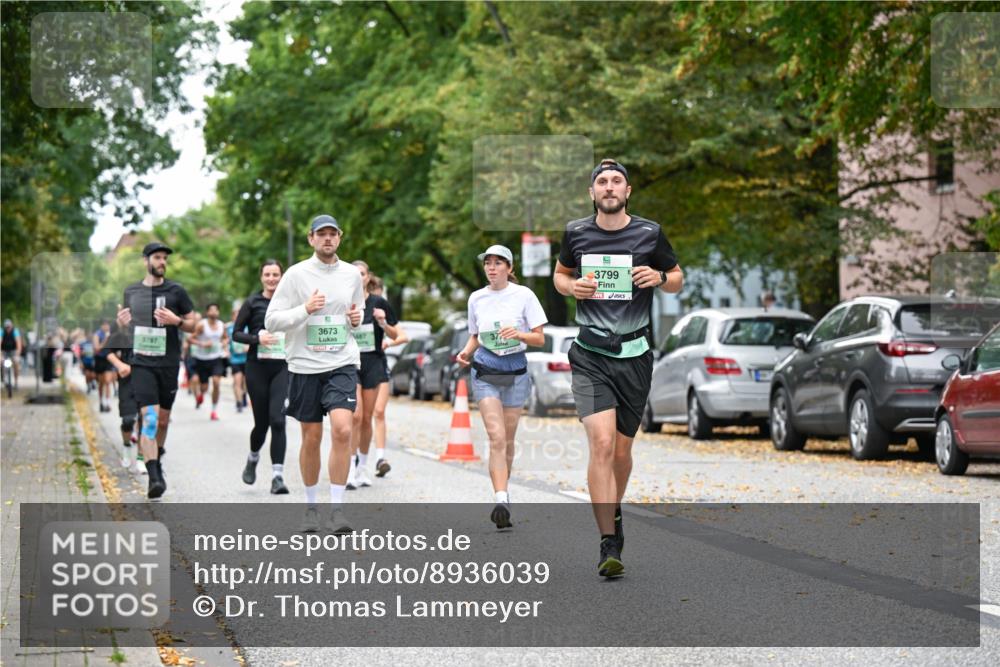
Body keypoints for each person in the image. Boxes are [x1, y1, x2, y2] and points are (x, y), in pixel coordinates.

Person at [553, 159, 683, 578]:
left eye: (616, 181)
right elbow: (560, 275)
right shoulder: (576, 232)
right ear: (592, 193)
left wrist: (659, 277)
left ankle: (614, 510)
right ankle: (608, 541)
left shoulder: (650, 233)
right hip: (590, 354)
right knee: (603, 444)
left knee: (623, 452)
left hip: (635, 355)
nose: (609, 187)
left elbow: (677, 277)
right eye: (602, 182)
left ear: (627, 191)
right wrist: (572, 287)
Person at [265, 215, 364, 532]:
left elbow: (356, 313)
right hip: (305, 366)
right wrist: (305, 309)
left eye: (333, 234)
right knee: (311, 437)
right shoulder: (295, 275)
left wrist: (356, 319)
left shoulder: (352, 275)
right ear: (311, 239)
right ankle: (310, 507)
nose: (327, 239)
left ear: (340, 237)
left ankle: (337, 510)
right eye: (321, 234)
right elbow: (272, 321)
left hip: (342, 362)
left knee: (343, 430)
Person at [456, 245, 546, 530]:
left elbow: (540, 338)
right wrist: (465, 352)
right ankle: (501, 499)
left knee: (507, 439)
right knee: (496, 437)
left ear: (509, 267)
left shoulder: (524, 295)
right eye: (488, 263)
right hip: (486, 370)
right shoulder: (476, 298)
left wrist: (518, 334)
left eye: (498, 263)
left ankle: (504, 492)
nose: (492, 268)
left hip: (516, 370)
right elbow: (475, 335)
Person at [116, 241, 196, 499]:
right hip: (141, 364)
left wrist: (177, 321)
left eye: (165, 258)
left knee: (162, 420)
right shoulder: (131, 291)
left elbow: (194, 325)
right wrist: (121, 324)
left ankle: (157, 460)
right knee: (149, 418)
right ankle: (153, 476)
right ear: (146, 260)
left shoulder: (176, 291)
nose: (162, 262)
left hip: (169, 364)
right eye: (158, 257)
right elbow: (124, 329)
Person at [347, 262, 406, 488]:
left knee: (366, 418)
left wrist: (382, 322)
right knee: (355, 415)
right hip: (351, 363)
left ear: (367, 277)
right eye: (354, 273)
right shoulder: (344, 302)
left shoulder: (378, 303)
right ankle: (350, 468)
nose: (358, 277)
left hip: (373, 363)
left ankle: (362, 468)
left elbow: (396, 334)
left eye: (361, 273)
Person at [233, 260, 290, 494]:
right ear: (261, 277)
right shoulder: (252, 302)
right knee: (262, 424)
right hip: (257, 368)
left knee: (278, 420)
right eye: (267, 274)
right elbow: (236, 333)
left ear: (282, 276)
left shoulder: (290, 302)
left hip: (282, 368)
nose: (272, 279)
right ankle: (253, 457)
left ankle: (277, 477)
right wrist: (257, 339)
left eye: (276, 274)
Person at [369, 275, 408, 474]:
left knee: (379, 411)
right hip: (355, 366)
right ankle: (355, 460)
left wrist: (388, 342)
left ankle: (380, 457)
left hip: (378, 363)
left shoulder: (381, 307)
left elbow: (403, 336)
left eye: (379, 293)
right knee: (359, 417)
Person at [104, 323, 141, 471]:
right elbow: (107, 350)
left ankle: (141, 457)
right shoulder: (122, 331)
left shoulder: (153, 326)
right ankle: (126, 447)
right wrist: (120, 365)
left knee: (146, 420)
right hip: (127, 381)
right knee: (128, 420)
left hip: (148, 380)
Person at [191, 303, 228, 420]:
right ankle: (201, 394)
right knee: (204, 387)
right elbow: (191, 339)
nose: (214, 312)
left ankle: (214, 410)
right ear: (207, 312)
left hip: (216, 357)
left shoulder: (221, 325)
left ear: (218, 312)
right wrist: (202, 344)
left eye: (216, 310)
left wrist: (224, 343)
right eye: (211, 310)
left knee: (216, 382)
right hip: (202, 359)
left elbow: (225, 338)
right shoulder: (202, 325)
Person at [227, 306, 249, 413]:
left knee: (245, 383)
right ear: (232, 316)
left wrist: (249, 346)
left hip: (247, 359)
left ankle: (243, 394)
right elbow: (224, 339)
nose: (237, 317)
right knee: (237, 381)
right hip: (235, 359)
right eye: (235, 315)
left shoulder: (247, 327)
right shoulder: (229, 328)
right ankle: (239, 403)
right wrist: (225, 347)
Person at [93, 320, 114, 412]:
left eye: (108, 325)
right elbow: (97, 348)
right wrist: (105, 339)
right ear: (101, 326)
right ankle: (101, 402)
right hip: (100, 360)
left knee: (108, 381)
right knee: (101, 383)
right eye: (105, 325)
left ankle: (108, 403)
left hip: (109, 359)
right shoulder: (97, 335)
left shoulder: (111, 334)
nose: (106, 327)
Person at [1, 319, 23, 388]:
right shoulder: (1, 331)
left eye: (9, 327)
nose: (8, 328)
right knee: (1, 362)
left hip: (13, 351)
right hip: (4, 351)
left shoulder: (15, 331)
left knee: (16, 362)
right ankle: (3, 378)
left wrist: (18, 353)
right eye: (6, 327)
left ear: (11, 326)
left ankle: (16, 382)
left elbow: (18, 343)